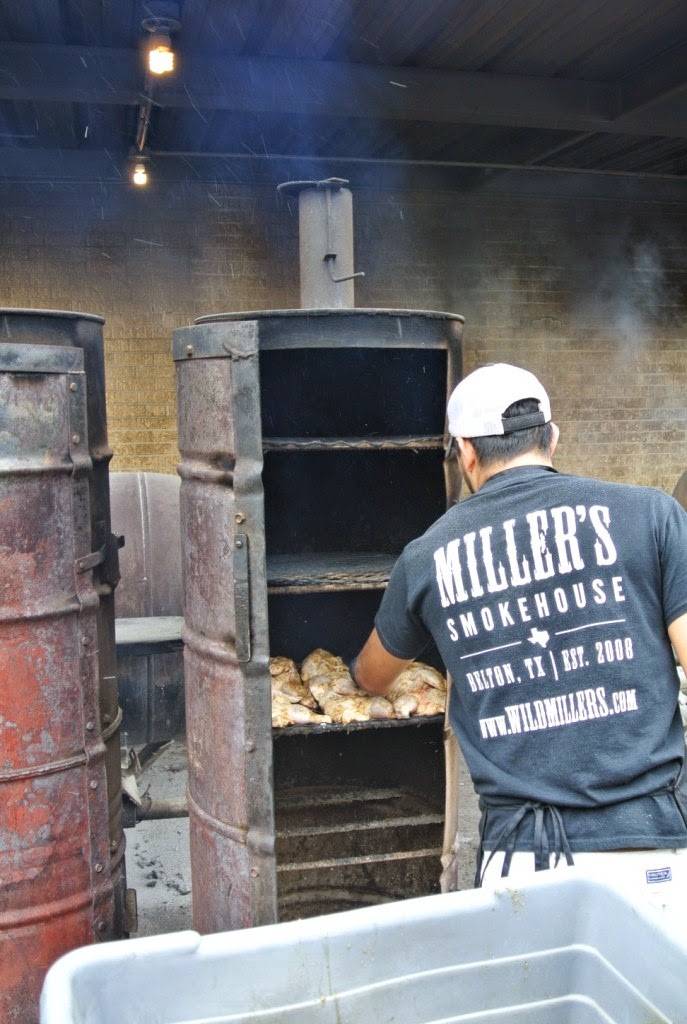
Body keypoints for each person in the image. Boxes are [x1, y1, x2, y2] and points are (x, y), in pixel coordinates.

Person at [352, 362, 687, 914]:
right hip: (651, 848)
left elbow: (371, 677)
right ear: (552, 437)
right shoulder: (652, 514)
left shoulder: (427, 556)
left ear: (465, 452)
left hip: (522, 865)